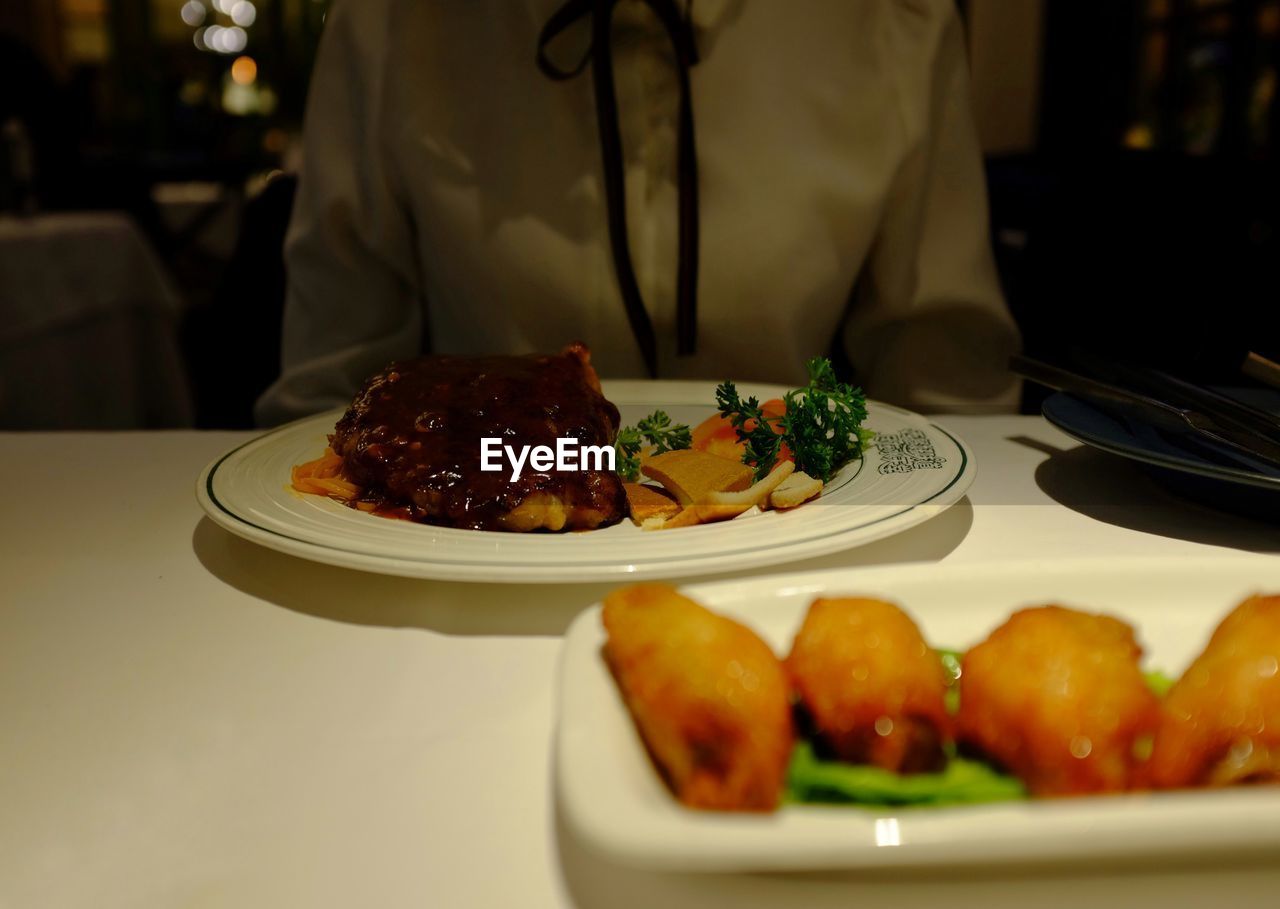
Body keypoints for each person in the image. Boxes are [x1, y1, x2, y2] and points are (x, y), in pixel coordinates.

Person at [255, 0, 1020, 426]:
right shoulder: (389, 27)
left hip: (801, 534)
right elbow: (330, 395)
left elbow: (946, 395)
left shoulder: (892, 26)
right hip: (467, 542)